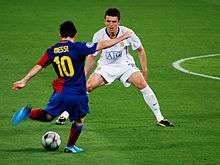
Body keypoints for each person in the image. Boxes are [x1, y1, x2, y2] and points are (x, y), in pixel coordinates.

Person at [11, 20, 132, 153]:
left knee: (48, 116)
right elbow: (102, 44)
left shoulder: (52, 50)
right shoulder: (78, 47)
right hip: (78, 93)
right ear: (75, 34)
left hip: (60, 92)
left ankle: (28, 113)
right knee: (80, 119)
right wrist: (123, 37)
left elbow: (39, 66)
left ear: (60, 35)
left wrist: (24, 80)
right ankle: (70, 146)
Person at [56, 8, 174, 127]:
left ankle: (160, 118)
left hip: (125, 66)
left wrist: (145, 70)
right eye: (108, 21)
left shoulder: (128, 33)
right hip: (106, 67)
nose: (111, 24)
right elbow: (92, 56)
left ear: (119, 22)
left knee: (142, 84)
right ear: (105, 21)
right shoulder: (99, 35)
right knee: (88, 86)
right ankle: (66, 113)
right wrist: (84, 73)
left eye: (113, 21)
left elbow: (140, 50)